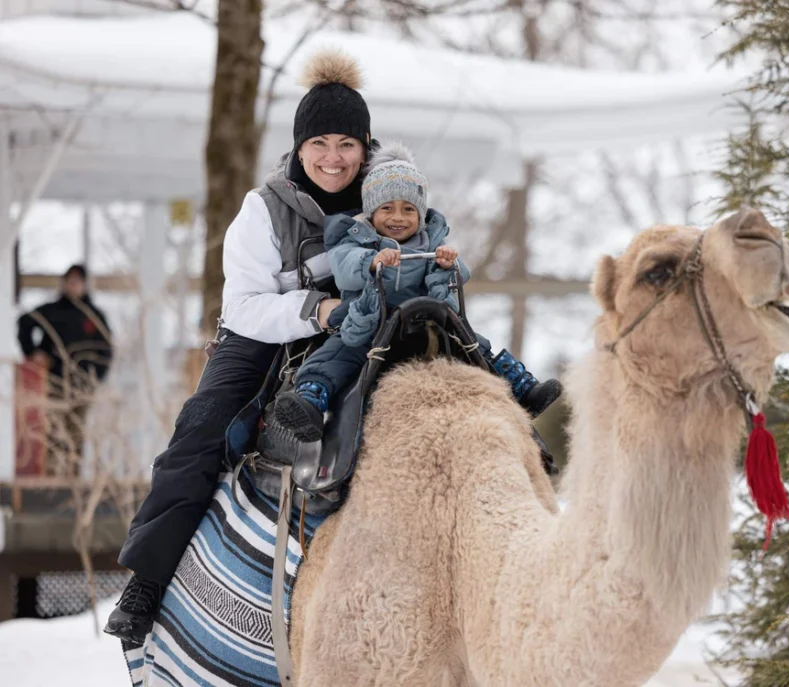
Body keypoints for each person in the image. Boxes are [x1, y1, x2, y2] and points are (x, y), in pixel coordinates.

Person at [104, 48, 374, 646]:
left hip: (361, 335)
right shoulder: (263, 208)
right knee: (200, 428)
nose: (334, 158)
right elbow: (245, 307)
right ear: (300, 148)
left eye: (348, 145)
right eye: (321, 143)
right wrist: (319, 309)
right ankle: (148, 581)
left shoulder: (382, 197)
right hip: (264, 336)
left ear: (365, 147)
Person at [273, 141, 562, 441]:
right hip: (371, 322)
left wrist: (445, 267)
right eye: (387, 208)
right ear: (372, 212)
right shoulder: (356, 240)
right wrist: (371, 263)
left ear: (420, 215)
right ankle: (311, 396)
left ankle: (519, 385)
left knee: (473, 343)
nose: (398, 217)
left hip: (423, 325)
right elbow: (344, 269)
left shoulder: (430, 244)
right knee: (338, 354)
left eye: (408, 210)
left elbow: (453, 285)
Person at [17, 264, 113, 473]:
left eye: (77, 282)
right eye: (70, 282)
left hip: (81, 386)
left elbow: (106, 351)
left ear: (84, 285)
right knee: (53, 433)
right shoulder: (52, 311)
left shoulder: (94, 316)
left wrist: (94, 378)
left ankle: (73, 480)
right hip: (55, 382)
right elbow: (24, 323)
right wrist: (33, 353)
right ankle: (53, 480)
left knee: (76, 434)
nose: (73, 287)